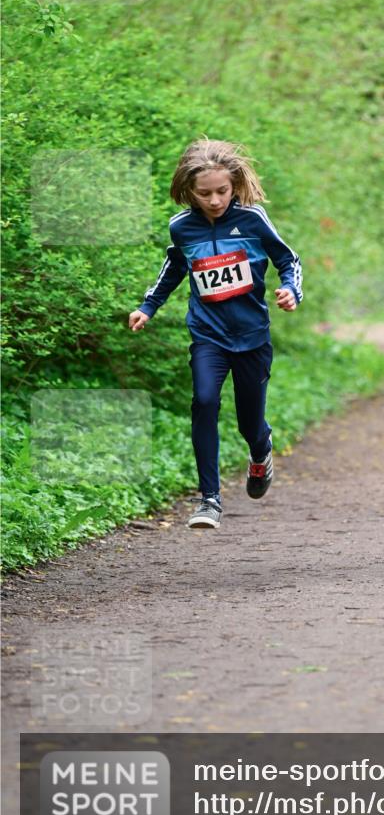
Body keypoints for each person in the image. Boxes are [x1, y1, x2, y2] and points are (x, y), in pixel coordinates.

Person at [128, 139, 302, 529]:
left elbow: (287, 259)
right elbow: (174, 268)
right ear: (188, 190)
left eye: (222, 191)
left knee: (249, 424)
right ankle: (210, 499)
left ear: (235, 184)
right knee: (204, 401)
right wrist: (147, 307)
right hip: (208, 334)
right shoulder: (181, 227)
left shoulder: (253, 219)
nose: (215, 200)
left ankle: (261, 452)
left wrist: (291, 290)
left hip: (252, 336)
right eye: (204, 193)